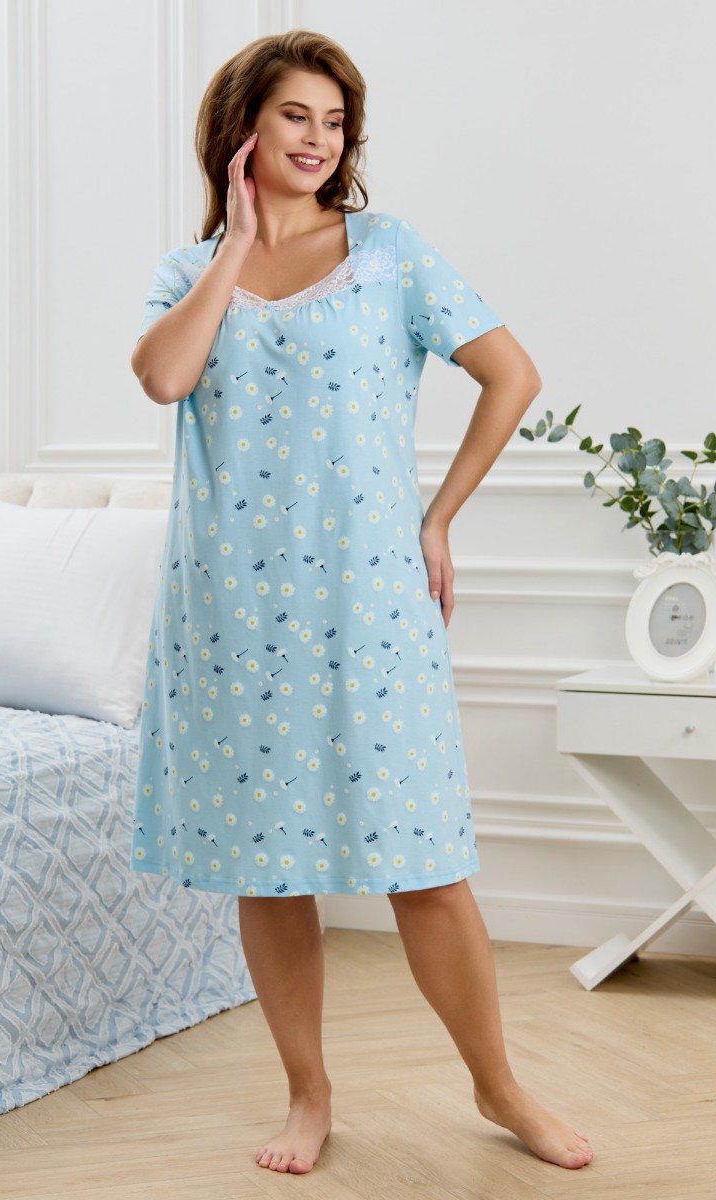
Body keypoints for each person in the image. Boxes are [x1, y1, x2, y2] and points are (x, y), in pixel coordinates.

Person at [129, 28, 593, 1176]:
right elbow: (165, 377)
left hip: (369, 609)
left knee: (423, 865)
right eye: (296, 115)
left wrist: (436, 520)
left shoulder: (387, 254)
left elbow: (511, 375)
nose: (319, 139)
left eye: (335, 122)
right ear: (243, 125)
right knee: (268, 868)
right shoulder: (189, 275)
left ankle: (498, 1087)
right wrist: (238, 245)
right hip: (230, 619)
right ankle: (307, 1095)